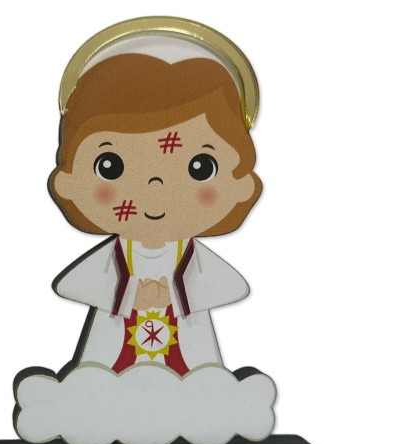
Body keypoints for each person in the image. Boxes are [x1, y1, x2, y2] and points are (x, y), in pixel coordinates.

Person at [48, 50, 262, 377]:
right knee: (97, 375)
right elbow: (78, 285)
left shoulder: (195, 261)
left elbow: (227, 287)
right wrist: (132, 296)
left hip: (189, 344)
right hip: (109, 353)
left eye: (200, 167)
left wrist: (173, 295)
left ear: (241, 185)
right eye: (111, 166)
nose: (155, 188)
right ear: (69, 182)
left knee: (201, 374)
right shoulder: (110, 259)